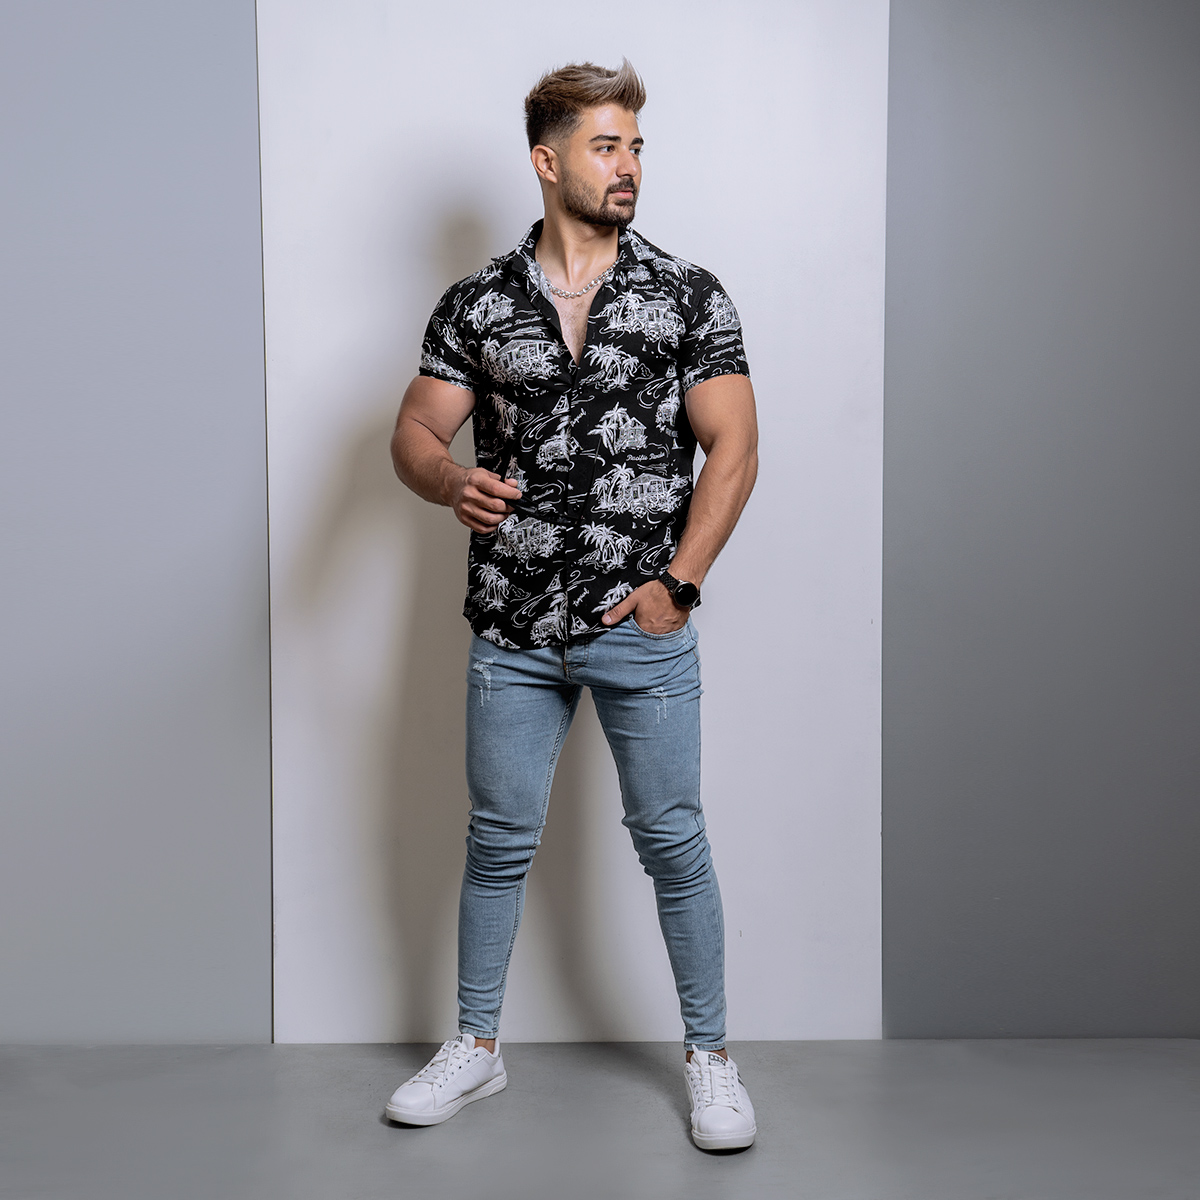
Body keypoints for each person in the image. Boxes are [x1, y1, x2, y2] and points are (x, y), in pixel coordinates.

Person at [386, 59, 759, 1151]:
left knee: (672, 841)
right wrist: (449, 480)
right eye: (607, 146)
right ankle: (476, 1046)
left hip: (639, 625)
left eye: (635, 146)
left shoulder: (688, 294)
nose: (628, 165)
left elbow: (735, 447)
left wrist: (677, 586)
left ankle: (711, 1060)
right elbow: (415, 430)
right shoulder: (477, 303)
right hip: (511, 626)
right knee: (498, 840)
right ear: (547, 162)